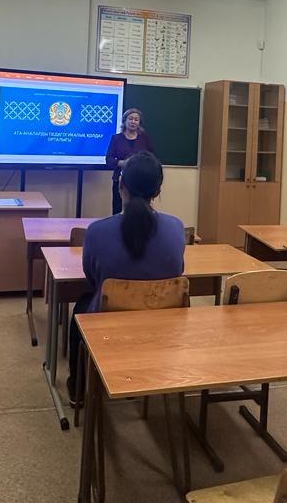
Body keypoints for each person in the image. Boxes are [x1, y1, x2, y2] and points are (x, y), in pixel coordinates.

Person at [67, 152, 185, 403]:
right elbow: (178, 270)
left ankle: (78, 391)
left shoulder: (97, 231)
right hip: (163, 325)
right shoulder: (176, 228)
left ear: (121, 185)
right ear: (158, 190)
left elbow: (92, 278)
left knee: (80, 307)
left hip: (109, 324)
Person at [105, 108, 156, 215]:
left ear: (139, 123)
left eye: (136, 120)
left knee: (140, 210)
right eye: (130, 119)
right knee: (118, 210)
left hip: (141, 180)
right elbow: (108, 160)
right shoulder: (116, 138)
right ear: (125, 121)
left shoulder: (145, 139)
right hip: (121, 180)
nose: (133, 122)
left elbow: (152, 158)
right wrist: (122, 163)